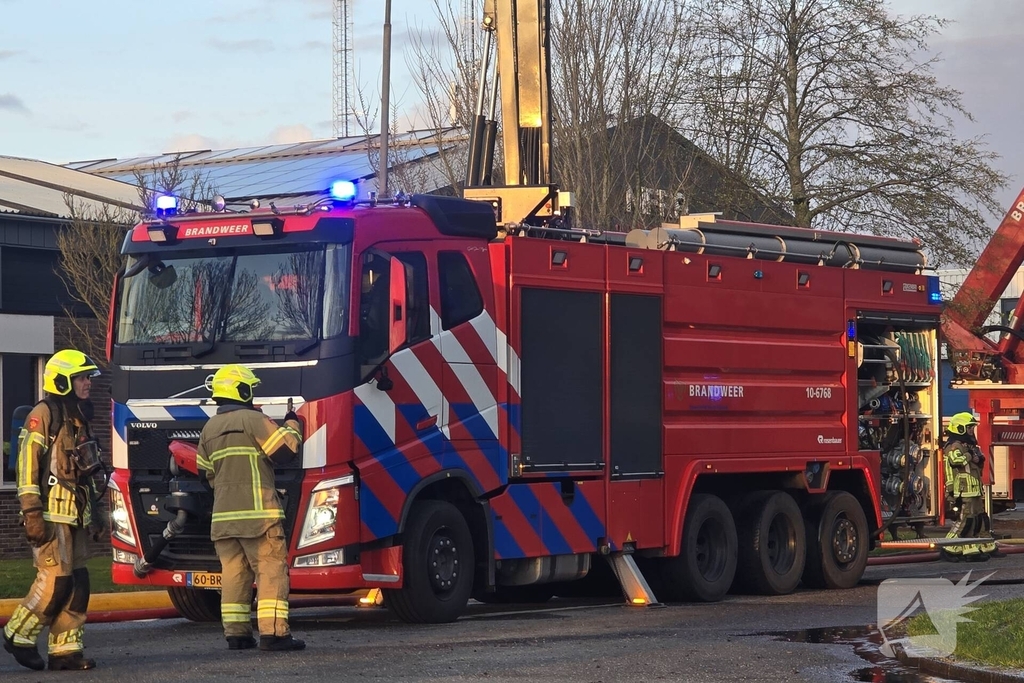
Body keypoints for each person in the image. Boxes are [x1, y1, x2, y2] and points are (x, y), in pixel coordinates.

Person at [3, 350, 105, 671]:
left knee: (78, 584)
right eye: (82, 377)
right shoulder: (43, 414)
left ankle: (66, 651)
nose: (88, 383)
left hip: (76, 515)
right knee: (56, 582)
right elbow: (27, 465)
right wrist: (32, 512)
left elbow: (85, 471)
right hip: (50, 517)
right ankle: (17, 634)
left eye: (88, 377)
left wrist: (98, 513)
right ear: (63, 382)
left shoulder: (78, 418)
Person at [196, 364, 306, 652]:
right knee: (270, 571)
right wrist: (293, 424)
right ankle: (274, 634)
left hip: (223, 520)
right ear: (241, 391)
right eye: (250, 388)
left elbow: (204, 473)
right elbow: (285, 451)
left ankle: (237, 634)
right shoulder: (253, 420)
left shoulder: (209, 428)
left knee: (234, 574)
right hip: (259, 516)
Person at [941, 412, 998, 561]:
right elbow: (955, 460)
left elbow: (977, 463)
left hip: (973, 488)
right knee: (965, 520)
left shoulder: (968, 445)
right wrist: (969, 456)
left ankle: (975, 547)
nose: (972, 431)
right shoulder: (955, 445)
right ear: (960, 429)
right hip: (963, 489)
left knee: (979, 518)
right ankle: (949, 548)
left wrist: (978, 458)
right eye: (970, 428)